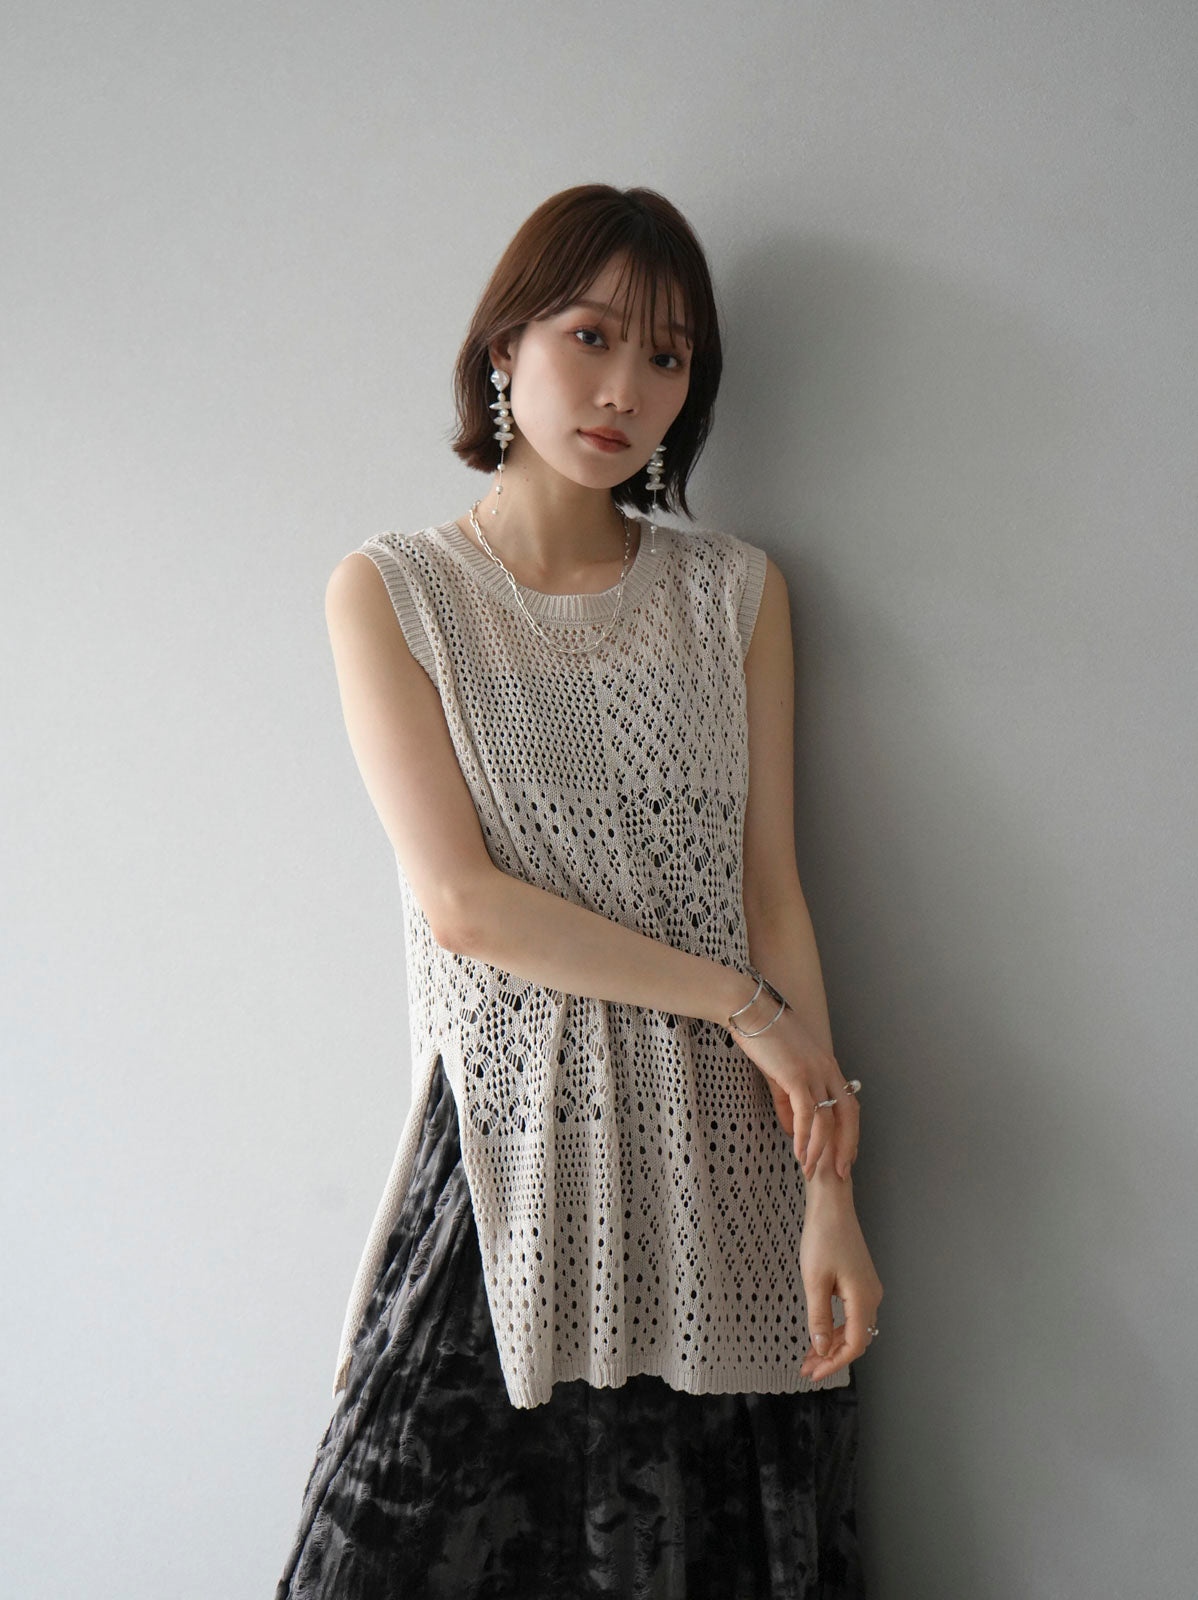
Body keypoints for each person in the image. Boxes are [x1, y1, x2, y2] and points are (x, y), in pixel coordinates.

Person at [274, 183, 883, 1600]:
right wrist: (742, 1007)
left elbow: (772, 897)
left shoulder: (735, 594)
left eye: (666, 357)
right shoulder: (395, 590)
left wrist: (829, 1196)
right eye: (590, 337)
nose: (624, 391)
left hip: (730, 1166)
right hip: (512, 1155)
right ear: (505, 347)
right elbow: (464, 905)